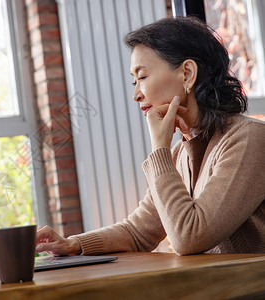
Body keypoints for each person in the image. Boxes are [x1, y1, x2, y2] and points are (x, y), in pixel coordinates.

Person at [36, 16, 265, 256]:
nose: (136, 94)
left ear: (187, 74)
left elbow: (190, 237)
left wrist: (159, 149)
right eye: (134, 81)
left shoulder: (249, 139)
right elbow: (138, 232)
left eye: (142, 77)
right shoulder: (179, 154)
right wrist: (73, 244)